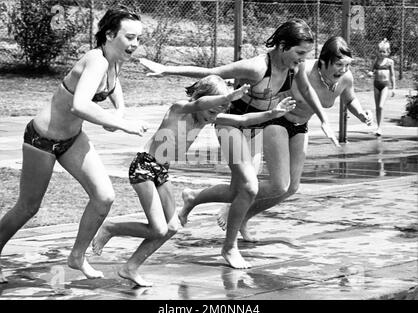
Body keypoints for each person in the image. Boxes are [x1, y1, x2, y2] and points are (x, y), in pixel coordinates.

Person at [139, 19, 338, 269]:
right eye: (299, 53)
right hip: (232, 125)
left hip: (256, 125)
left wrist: (324, 119)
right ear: (283, 46)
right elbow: (214, 72)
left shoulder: (293, 68)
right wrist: (166, 69)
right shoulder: (256, 67)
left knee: (239, 191)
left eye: (306, 54)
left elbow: (307, 91)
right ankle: (229, 247)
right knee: (250, 187)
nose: (302, 59)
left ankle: (192, 198)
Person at [91, 75, 296, 285]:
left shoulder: (206, 118)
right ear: (201, 98)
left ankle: (130, 267)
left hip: (161, 171)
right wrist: (227, 95)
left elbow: (243, 120)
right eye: (211, 110)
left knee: (171, 228)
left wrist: (273, 113)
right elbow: (199, 103)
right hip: (144, 167)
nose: (213, 116)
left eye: (218, 112)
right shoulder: (179, 109)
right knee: (158, 228)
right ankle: (111, 228)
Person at [0, 7, 146, 283]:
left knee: (104, 197)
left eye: (138, 38)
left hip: (71, 140)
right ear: (110, 34)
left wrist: (119, 112)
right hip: (41, 140)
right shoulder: (96, 60)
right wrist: (125, 125)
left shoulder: (113, 60)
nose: (135, 44)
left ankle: (77, 256)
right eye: (129, 37)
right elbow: (80, 105)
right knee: (28, 207)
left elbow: (113, 87)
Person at [181, 36, 374, 243]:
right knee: (278, 185)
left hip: (301, 126)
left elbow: (350, 97)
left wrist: (361, 113)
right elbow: (265, 80)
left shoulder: (345, 78)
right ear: (323, 61)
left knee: (291, 188)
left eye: (346, 65)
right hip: (278, 122)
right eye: (338, 65)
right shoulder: (302, 69)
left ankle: (243, 216)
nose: (342, 70)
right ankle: (233, 204)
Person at [371, 38, 396, 136]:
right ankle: (378, 127)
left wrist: (394, 88)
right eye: (380, 51)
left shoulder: (390, 62)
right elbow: (371, 71)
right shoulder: (376, 61)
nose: (381, 53)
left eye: (384, 52)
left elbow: (393, 75)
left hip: (385, 85)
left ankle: (380, 127)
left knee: (381, 106)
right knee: (377, 107)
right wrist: (370, 73)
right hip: (376, 84)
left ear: (388, 52)